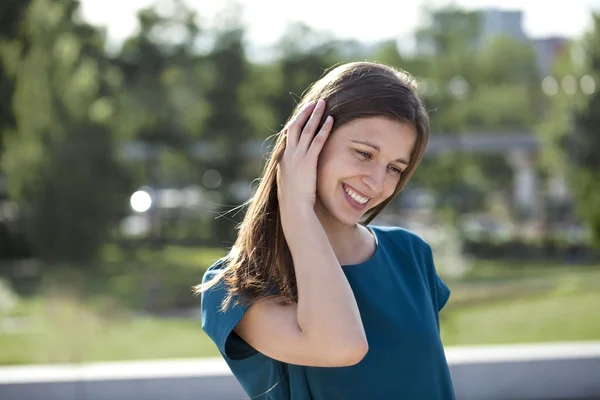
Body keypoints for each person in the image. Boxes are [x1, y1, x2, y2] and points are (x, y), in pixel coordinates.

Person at [195, 61, 455, 399]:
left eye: (394, 167)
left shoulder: (410, 254)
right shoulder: (235, 287)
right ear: (308, 138)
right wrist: (296, 206)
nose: (377, 183)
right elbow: (341, 346)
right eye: (363, 154)